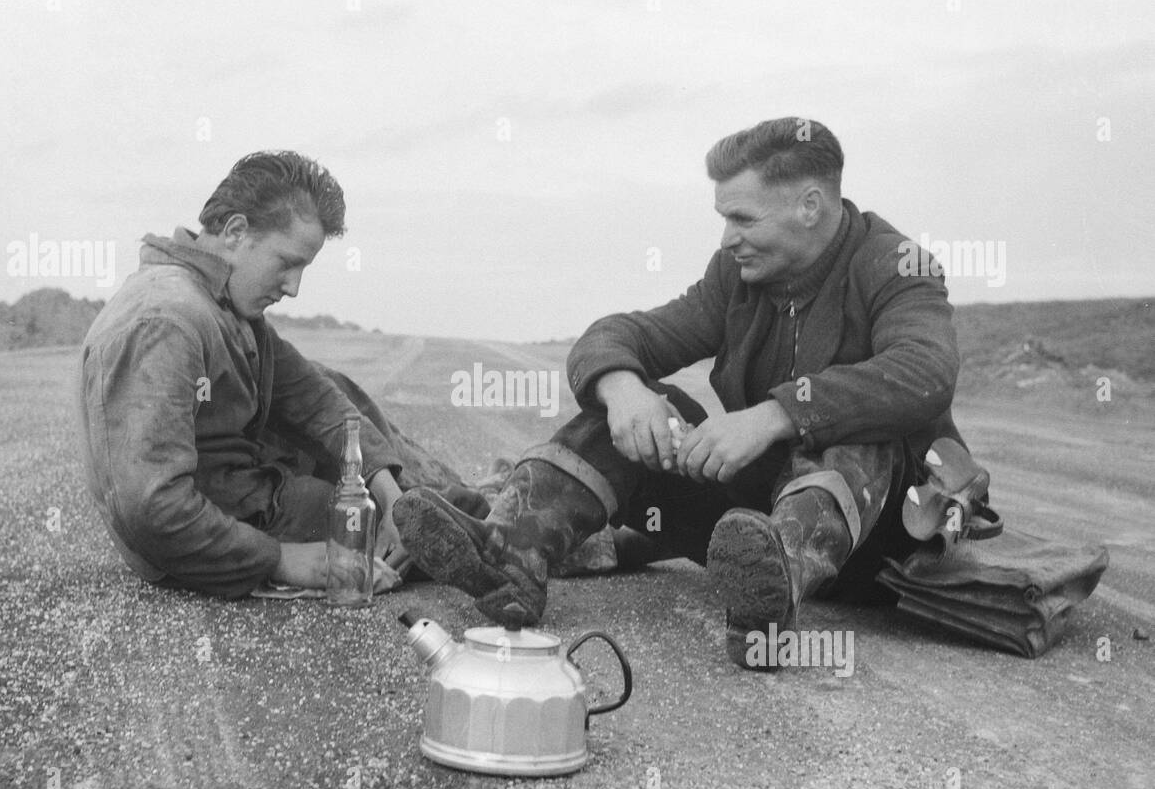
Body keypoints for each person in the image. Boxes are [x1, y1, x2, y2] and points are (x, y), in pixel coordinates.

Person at [393, 117, 968, 667]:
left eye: (742, 219)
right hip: (755, 522)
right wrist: (624, 391)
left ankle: (773, 591)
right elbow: (622, 335)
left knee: (864, 435)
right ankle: (509, 555)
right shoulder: (737, 273)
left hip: (873, 536)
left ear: (810, 205)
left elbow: (925, 373)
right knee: (646, 407)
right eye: (724, 218)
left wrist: (774, 415)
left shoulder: (898, 265)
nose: (728, 238)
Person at [77, 150, 485, 599]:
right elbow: (152, 508)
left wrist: (386, 492)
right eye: (286, 263)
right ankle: (494, 518)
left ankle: (444, 500)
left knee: (354, 420)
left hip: (254, 490)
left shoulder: (220, 297)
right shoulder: (166, 321)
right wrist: (287, 560)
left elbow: (315, 398)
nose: (293, 287)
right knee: (436, 534)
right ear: (235, 232)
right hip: (213, 532)